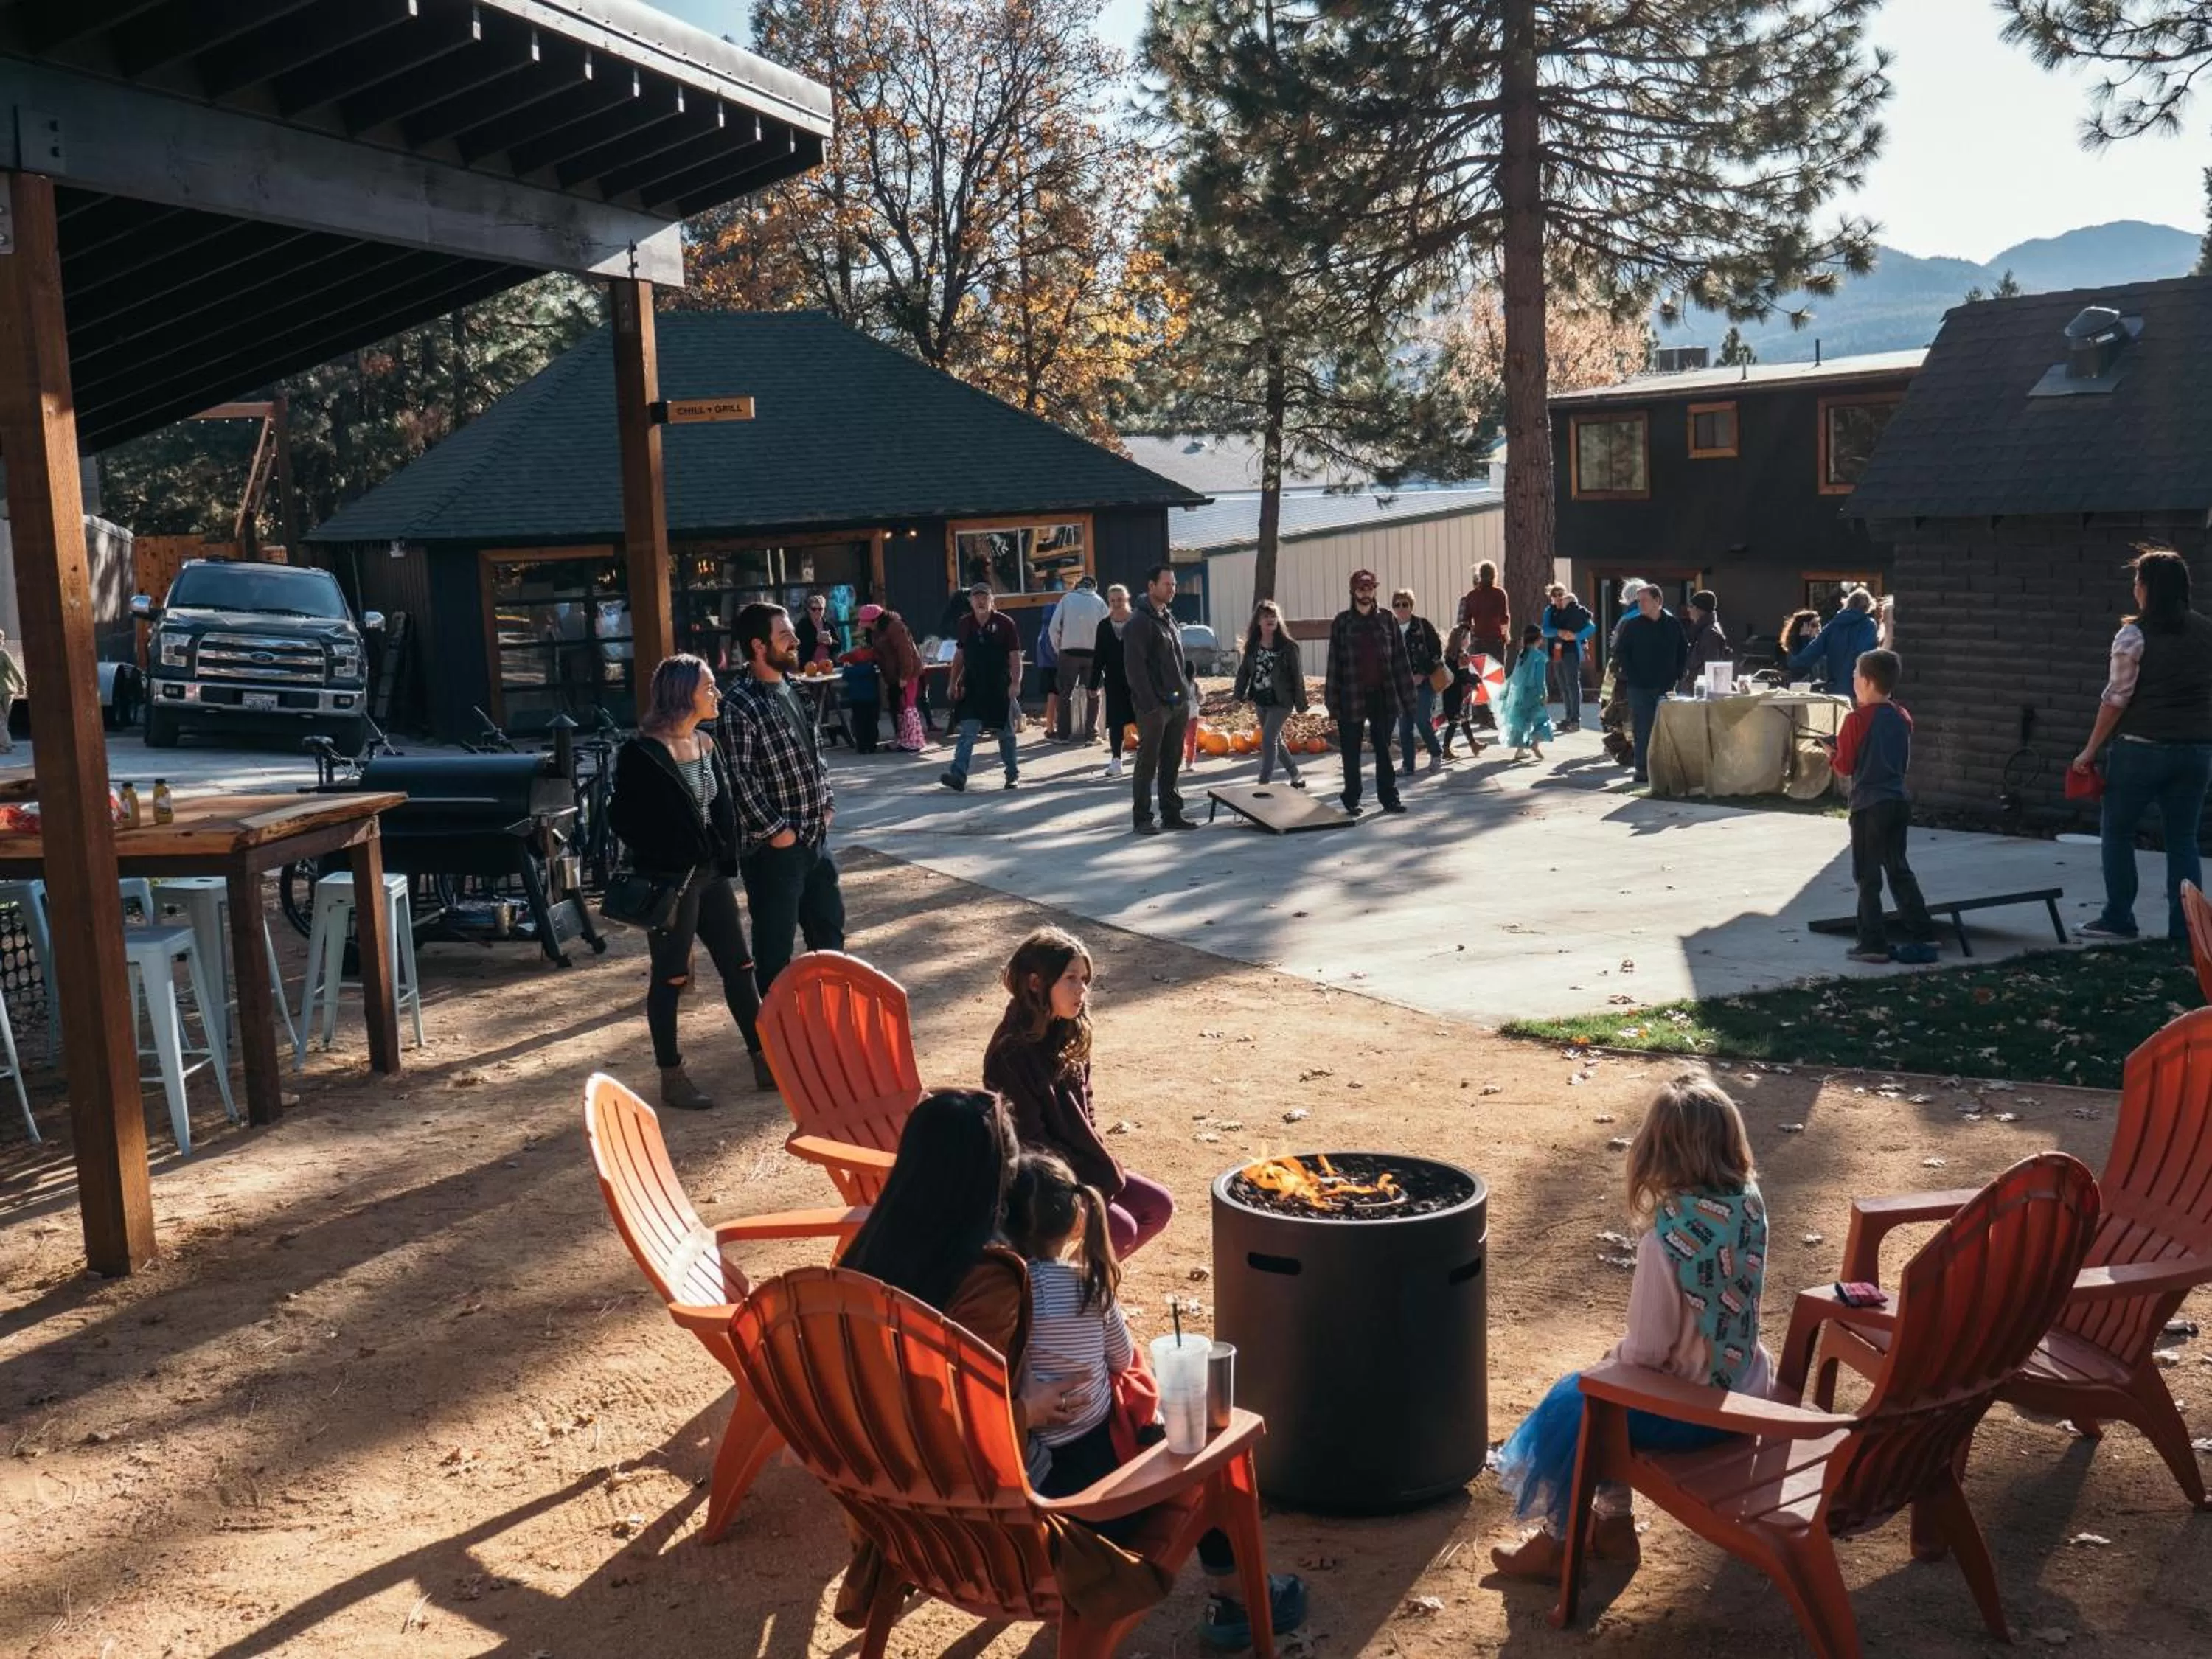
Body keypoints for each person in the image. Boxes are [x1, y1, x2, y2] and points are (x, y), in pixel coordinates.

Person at [835, 1089, 1308, 1650]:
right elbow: (965, 1425)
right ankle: (1237, 1598)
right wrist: (1023, 1411)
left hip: (901, 1524)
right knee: (1216, 1447)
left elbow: (898, 1407)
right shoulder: (988, 1285)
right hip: (1007, 1538)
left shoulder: (860, 1267)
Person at [1490, 1073, 1770, 1580]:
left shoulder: (1663, 1244)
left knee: (1576, 1407)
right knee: (1598, 1389)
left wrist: (1608, 1362)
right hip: (1747, 1389)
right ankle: (1614, 1531)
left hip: (1695, 1411)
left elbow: (1645, 1353)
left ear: (1655, 1154)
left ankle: (1560, 1542)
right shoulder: (1749, 1205)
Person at [608, 654, 770, 1109]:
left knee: (740, 968)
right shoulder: (641, 753)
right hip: (670, 881)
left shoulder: (706, 743)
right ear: (684, 694)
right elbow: (623, 820)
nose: (717, 694)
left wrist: (724, 852)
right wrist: (670, 852)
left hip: (711, 876)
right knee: (671, 976)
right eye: (710, 687)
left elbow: (719, 810)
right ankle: (672, 1075)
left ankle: (763, 1059)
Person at [984, 928, 1174, 1258]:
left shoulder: (1068, 1032)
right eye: (1071, 978)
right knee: (1120, 1229)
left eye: (1085, 979)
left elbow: (1087, 1109)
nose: (1082, 989)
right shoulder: (1010, 1052)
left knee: (1157, 1206)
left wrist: (1098, 1161)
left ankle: (1076, 1280)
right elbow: (1031, 1140)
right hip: (1036, 1176)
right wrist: (1088, 1181)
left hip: (1083, 1165)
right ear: (1035, 983)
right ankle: (1067, 1291)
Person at [2073, 546, 2212, 942]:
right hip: (2197, 750)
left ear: (2148, 589)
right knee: (2183, 838)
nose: (2134, 588)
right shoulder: (2207, 631)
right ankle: (2186, 930)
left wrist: (2089, 750)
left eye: (2138, 581)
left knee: (2118, 832)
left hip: (2141, 748)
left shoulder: (2134, 635)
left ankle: (2119, 918)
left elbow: (2116, 698)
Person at [719, 602, 845, 995]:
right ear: (759, 646)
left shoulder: (797, 690)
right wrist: (778, 832)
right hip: (775, 852)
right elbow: (739, 779)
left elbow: (816, 757)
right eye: (785, 635)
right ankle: (778, 1045)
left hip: (815, 839)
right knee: (774, 954)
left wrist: (827, 805)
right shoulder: (739, 702)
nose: (795, 641)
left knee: (830, 939)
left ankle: (826, 1025)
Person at [1003, 1151, 1134, 1485]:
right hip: (1101, 1449)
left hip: (1036, 1457)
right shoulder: (1091, 1285)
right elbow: (1123, 1359)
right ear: (1078, 1222)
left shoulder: (1004, 1292)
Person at [1829, 647, 1937, 964]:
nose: (1853, 680)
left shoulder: (1855, 720)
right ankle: (1923, 932)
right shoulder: (1902, 715)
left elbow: (1845, 766)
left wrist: (1831, 754)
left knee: (1867, 874)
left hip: (1868, 804)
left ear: (1865, 681)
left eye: (1855, 675)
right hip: (1897, 799)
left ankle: (1873, 942)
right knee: (1898, 868)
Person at [1324, 569, 1416, 817]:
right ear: (1353, 591)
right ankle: (1352, 798)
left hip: (1383, 694)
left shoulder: (1387, 620)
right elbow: (1334, 664)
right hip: (1351, 694)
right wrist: (1331, 701)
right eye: (1361, 589)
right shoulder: (1342, 623)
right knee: (1351, 751)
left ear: (1375, 590)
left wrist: (1408, 698)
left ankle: (1389, 798)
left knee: (1384, 749)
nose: (1366, 593)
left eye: (1370, 588)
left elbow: (1400, 660)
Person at [1123, 564, 1197, 833]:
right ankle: (1142, 818)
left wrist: (1189, 685)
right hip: (1154, 706)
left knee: (1172, 759)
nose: (1173, 589)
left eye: (1174, 584)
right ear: (1151, 587)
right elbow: (1135, 668)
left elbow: (1176, 660)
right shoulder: (1139, 623)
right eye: (1167, 584)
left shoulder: (1169, 618)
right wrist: (1150, 704)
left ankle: (1172, 813)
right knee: (1148, 761)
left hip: (1177, 702)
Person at [940, 582, 1024, 793]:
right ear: (970, 602)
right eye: (976, 597)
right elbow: (959, 656)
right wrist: (953, 683)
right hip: (973, 685)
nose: (980, 601)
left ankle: (1012, 775)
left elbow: (1015, 656)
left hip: (999, 686)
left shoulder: (1005, 623)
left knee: (1006, 734)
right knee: (967, 732)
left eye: (984, 597)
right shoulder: (965, 624)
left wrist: (1015, 683)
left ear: (991, 600)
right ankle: (958, 776)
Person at [1613, 583, 1688, 784]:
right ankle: (1642, 770)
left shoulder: (1672, 625)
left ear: (1658, 601)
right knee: (1642, 729)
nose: (1641, 604)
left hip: (1665, 686)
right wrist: (1631, 674)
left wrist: (1677, 675)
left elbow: (1683, 651)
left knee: (1666, 729)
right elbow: (1620, 652)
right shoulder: (1632, 625)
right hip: (1639, 686)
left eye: (1645, 600)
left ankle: (1664, 770)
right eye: (1639, 601)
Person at [1233, 600, 1309, 788]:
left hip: (1282, 701)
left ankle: (1263, 783)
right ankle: (1296, 775)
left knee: (1267, 739)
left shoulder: (1289, 647)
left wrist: (1301, 704)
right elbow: (1244, 673)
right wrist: (1237, 696)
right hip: (1261, 700)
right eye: (1265, 616)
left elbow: (1297, 677)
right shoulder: (1252, 646)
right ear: (1258, 622)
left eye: (1273, 616)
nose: (1270, 619)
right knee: (1276, 740)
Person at [1789, 587, 1879, 700]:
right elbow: (1867, 656)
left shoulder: (1833, 625)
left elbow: (1811, 653)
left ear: (1848, 603)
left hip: (1835, 691)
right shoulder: (1868, 626)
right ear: (1868, 606)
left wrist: (1794, 660)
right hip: (1860, 690)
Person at [1391, 588, 1445, 771]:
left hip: (1424, 683)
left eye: (1405, 604)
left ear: (1411, 606)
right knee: (1404, 726)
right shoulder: (1390, 630)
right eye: (1397, 604)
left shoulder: (1422, 626)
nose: (1401, 608)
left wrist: (1423, 673)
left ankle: (1436, 753)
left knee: (1422, 719)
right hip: (1401, 685)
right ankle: (1408, 764)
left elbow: (1437, 652)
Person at [1051, 574, 1110, 742]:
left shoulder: (1067, 599)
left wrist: (1058, 649)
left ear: (1078, 586)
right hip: (1093, 654)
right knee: (1093, 693)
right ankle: (1091, 735)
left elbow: (1054, 628)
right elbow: (1108, 629)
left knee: (1065, 693)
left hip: (1069, 653)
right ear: (1094, 587)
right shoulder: (1099, 602)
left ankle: (1063, 735)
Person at [1090, 583, 1137, 782]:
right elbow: (1098, 656)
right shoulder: (1104, 625)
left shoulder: (1137, 622)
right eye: (1113, 600)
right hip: (1114, 680)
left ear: (1127, 600)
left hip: (1138, 679)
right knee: (1116, 721)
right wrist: (1093, 683)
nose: (1117, 603)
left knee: (1141, 718)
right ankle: (1116, 761)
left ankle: (1150, 758)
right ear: (1109, 602)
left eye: (1121, 599)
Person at [869, 606, 927, 752]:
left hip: (906, 673)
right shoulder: (877, 631)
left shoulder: (895, 627)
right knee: (899, 707)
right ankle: (903, 738)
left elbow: (905, 652)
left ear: (875, 620)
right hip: (893, 675)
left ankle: (914, 741)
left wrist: (904, 676)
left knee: (908, 706)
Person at [1540, 585, 1594, 732]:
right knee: (1563, 685)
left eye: (1560, 595)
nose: (1558, 598)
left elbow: (1590, 627)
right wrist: (1559, 631)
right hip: (1556, 652)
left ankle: (1575, 719)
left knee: (1572, 684)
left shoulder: (1574, 609)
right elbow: (1545, 630)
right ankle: (1568, 716)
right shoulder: (1550, 611)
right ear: (1551, 598)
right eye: (1554, 596)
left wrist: (1575, 636)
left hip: (1571, 651)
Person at [1498, 624, 1555, 762]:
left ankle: (1520, 751)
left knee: (1523, 722)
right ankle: (1535, 743)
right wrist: (1544, 694)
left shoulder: (1522, 655)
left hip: (1521, 694)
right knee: (1542, 720)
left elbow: (1515, 674)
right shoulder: (1539, 657)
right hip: (1534, 693)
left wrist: (1509, 690)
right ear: (1538, 639)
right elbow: (1540, 679)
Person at [1437, 623, 1489, 759]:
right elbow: (1464, 676)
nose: (1469, 640)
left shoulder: (1450, 655)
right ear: (1462, 640)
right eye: (1468, 637)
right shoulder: (1462, 656)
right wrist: (1477, 679)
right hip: (1459, 694)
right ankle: (1446, 749)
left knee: (1463, 719)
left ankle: (1473, 744)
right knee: (1454, 722)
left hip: (1450, 692)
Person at [1677, 588, 1733, 696]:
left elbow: (1711, 667)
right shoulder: (1703, 630)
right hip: (1695, 692)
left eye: (1691, 606)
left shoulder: (1710, 633)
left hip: (1700, 694)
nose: (1688, 610)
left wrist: (1699, 691)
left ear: (1700, 610)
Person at [836, 627, 881, 754]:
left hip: (857, 700)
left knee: (859, 722)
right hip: (872, 699)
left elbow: (845, 676)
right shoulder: (870, 669)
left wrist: (847, 666)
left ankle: (861, 746)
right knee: (872, 722)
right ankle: (872, 745)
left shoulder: (850, 671)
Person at [1456, 560, 1510, 666]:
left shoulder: (1471, 596)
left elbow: (1465, 621)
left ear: (1479, 575)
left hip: (1478, 641)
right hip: (1496, 641)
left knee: (1479, 675)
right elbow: (1504, 620)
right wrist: (1506, 636)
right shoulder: (1500, 594)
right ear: (1494, 575)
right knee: (1495, 677)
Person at [793, 593, 836, 669]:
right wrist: (816, 640)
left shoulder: (828, 625)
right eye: (814, 609)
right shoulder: (802, 625)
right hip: (808, 667)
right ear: (809, 610)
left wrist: (831, 642)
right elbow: (798, 646)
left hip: (827, 666)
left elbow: (838, 645)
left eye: (820, 609)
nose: (817, 611)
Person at [0, 627, 21, 751]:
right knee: (3, 719)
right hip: (8, 690)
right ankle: (6, 743)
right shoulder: (4, 654)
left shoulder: (3, 654)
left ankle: (5, 743)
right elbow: (15, 669)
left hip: (6, 690)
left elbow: (14, 669)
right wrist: (22, 685)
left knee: (2, 720)